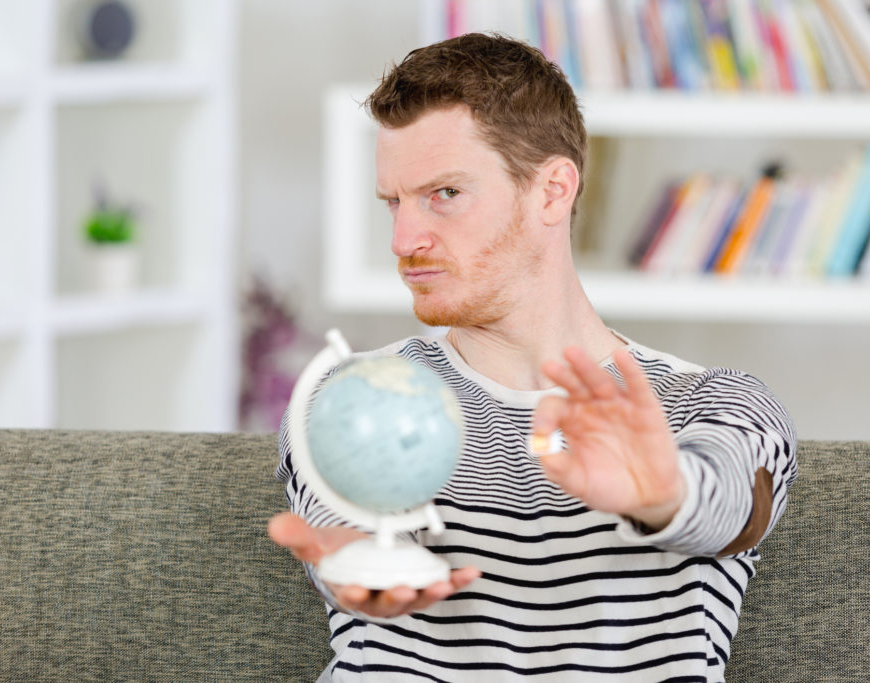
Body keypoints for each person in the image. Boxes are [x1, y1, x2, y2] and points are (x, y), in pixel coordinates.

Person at [269, 32, 797, 682]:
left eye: (445, 194)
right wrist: (352, 561)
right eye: (394, 203)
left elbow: (730, 507)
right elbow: (339, 522)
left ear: (552, 191)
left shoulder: (710, 400)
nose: (405, 239)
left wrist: (664, 493)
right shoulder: (357, 392)